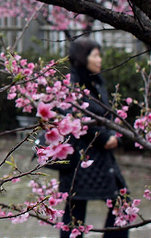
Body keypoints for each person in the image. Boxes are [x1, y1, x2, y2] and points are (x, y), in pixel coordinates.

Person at [58, 38, 129, 238]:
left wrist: (114, 135)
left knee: (121, 202)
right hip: (80, 158)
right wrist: (105, 138)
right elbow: (74, 117)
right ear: (83, 57)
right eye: (95, 55)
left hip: (100, 159)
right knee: (75, 212)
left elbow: (106, 116)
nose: (100, 60)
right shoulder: (72, 85)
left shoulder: (96, 82)